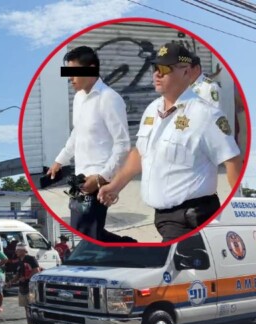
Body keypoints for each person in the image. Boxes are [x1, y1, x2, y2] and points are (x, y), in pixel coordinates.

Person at [98, 42, 243, 242]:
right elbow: (140, 153)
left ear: (186, 72)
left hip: (193, 218)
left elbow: (232, 160)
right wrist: (115, 185)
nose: (157, 74)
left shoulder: (205, 114)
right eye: (155, 68)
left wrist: (239, 212)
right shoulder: (151, 110)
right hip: (164, 219)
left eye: (165, 69)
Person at [46, 46, 132, 242]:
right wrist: (60, 160)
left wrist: (102, 178)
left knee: (89, 232)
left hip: (98, 179)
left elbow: (123, 144)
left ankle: (130, 248)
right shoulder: (79, 98)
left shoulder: (109, 98)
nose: (70, 78)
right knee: (84, 231)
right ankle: (130, 247)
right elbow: (77, 132)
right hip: (80, 179)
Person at [11, 246, 42, 324]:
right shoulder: (20, 261)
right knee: (27, 308)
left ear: (24, 251)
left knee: (33, 308)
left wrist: (26, 278)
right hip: (22, 287)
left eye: (18, 250)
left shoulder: (31, 259)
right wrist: (10, 282)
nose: (16, 251)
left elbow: (36, 270)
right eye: (16, 250)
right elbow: (18, 274)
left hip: (31, 288)